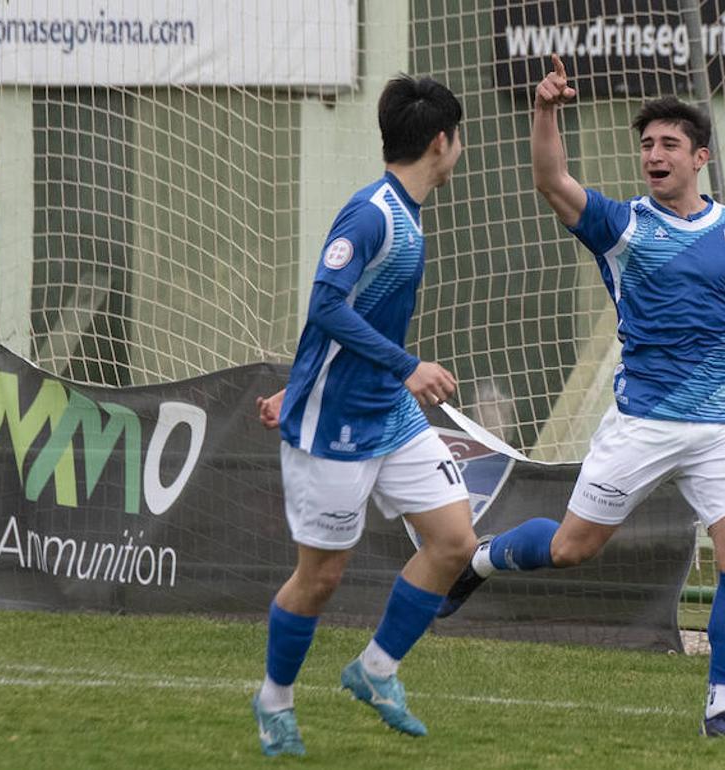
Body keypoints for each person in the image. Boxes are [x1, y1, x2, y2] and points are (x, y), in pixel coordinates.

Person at [436, 55, 725, 741]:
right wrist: (545, 108)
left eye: (669, 145)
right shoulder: (624, 226)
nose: (654, 155)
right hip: (640, 423)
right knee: (574, 547)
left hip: (721, 423)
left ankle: (722, 711)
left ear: (700, 157)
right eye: (646, 145)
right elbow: (551, 180)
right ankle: (482, 559)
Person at [250, 74, 478, 757]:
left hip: (389, 414)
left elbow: (341, 325)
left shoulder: (406, 215)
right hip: (335, 427)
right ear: (442, 142)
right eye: (459, 138)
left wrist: (307, 378)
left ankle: (375, 671)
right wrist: (406, 366)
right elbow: (325, 305)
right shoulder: (373, 213)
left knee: (454, 543)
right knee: (320, 578)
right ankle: (274, 702)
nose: (459, 149)